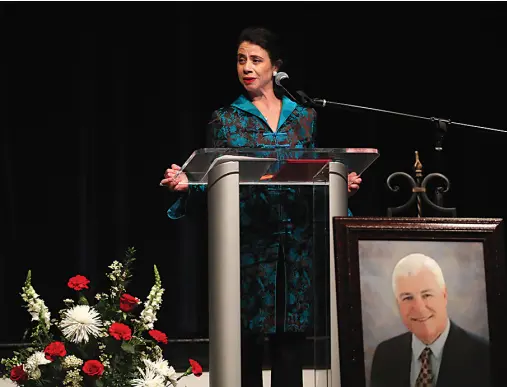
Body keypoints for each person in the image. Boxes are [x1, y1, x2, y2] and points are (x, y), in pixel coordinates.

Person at [160, 26, 362, 387]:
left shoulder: (304, 117)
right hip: (248, 244)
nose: (247, 68)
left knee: (291, 340)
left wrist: (338, 182)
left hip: (296, 246)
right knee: (247, 343)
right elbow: (213, 177)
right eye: (241, 60)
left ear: (276, 67)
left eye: (256, 60)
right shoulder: (226, 119)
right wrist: (189, 184)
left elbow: (312, 172)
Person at [370, 253, 490, 387]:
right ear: (398, 304)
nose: (419, 308)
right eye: (408, 298)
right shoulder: (385, 355)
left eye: (427, 295)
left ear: (444, 296)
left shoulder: (484, 355)